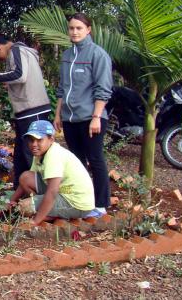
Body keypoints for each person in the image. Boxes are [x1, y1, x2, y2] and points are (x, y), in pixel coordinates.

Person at [54, 13, 113, 216]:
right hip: (70, 119)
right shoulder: (66, 56)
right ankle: (81, 203)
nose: (75, 32)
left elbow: (103, 89)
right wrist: (57, 115)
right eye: (71, 28)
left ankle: (101, 204)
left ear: (88, 30)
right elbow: (62, 89)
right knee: (77, 163)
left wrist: (96, 117)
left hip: (91, 119)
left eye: (79, 28)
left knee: (95, 159)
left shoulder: (98, 55)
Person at [0, 33, 51, 189]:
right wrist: (7, 81)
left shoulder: (16, 50)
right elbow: (21, 77)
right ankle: (19, 189)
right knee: (20, 152)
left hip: (33, 109)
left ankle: (42, 191)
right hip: (26, 110)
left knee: (32, 151)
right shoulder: (22, 51)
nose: (0, 58)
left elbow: (20, 75)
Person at [8, 120, 96, 225]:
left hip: (76, 203)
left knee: (24, 207)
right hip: (63, 191)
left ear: (51, 139)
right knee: (25, 177)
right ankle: (45, 210)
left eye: (39, 140)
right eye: (31, 140)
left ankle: (46, 214)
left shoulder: (53, 156)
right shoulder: (40, 153)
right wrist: (11, 201)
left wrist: (35, 221)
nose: (34, 144)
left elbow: (52, 192)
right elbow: (26, 181)